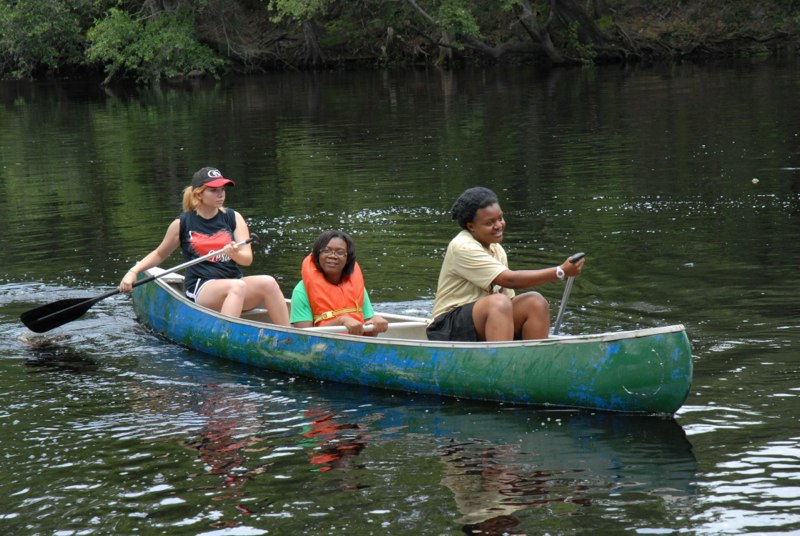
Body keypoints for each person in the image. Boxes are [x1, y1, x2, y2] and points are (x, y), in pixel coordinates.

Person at [118, 166, 290, 324]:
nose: (221, 194)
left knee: (269, 282)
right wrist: (133, 272)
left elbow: (247, 260)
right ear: (199, 194)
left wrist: (234, 254)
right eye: (214, 190)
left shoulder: (233, 217)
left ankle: (289, 337)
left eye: (222, 189)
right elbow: (160, 254)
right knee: (237, 286)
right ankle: (225, 338)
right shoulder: (182, 223)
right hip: (202, 288)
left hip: (235, 285)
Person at [427, 186, 585, 342]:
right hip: (447, 327)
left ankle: (534, 361)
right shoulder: (463, 246)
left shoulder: (497, 249)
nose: (498, 225)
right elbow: (509, 280)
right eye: (490, 223)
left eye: (500, 218)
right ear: (471, 226)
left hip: (485, 320)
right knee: (499, 302)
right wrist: (560, 271)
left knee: (535, 302)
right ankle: (501, 364)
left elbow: (508, 300)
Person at [290, 230, 388, 336]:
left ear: (348, 258)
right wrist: (341, 320)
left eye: (340, 252)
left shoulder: (357, 287)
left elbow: (369, 336)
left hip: (356, 346)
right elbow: (304, 338)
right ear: (317, 255)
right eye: (326, 251)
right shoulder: (301, 290)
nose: (332, 256)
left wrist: (376, 323)